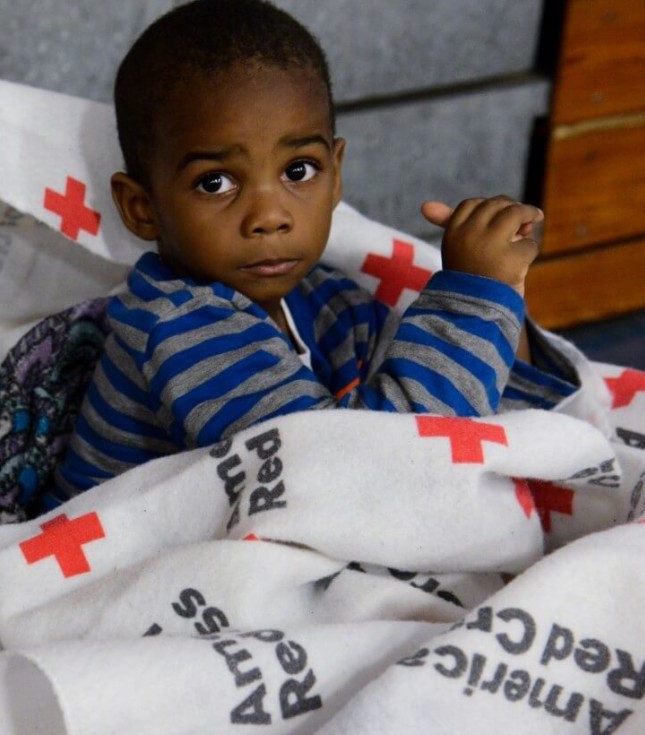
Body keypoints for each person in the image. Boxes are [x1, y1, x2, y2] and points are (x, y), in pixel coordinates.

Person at [52, 0, 579, 502]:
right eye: (215, 183)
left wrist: (504, 294)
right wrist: (471, 301)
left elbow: (481, 413)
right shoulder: (178, 329)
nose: (270, 216)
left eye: (298, 171)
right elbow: (369, 477)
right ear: (141, 207)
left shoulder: (327, 301)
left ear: (335, 175)